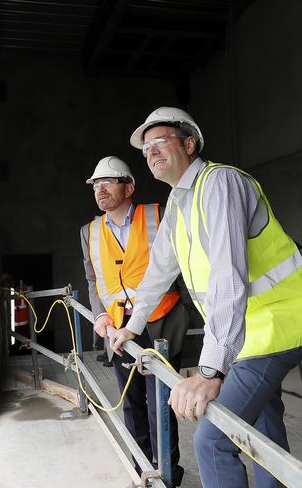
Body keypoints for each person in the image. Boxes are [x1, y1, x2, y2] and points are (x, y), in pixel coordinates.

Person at [111, 107, 302, 487]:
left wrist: (211, 370)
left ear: (189, 143)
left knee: (213, 440)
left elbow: (229, 280)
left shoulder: (220, 183)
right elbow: (157, 275)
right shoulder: (179, 205)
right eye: (145, 148)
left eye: (159, 142)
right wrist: (131, 327)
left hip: (274, 328)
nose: (150, 152)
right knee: (261, 429)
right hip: (251, 332)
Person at [80, 156, 187, 486]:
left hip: (162, 321)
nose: (101, 190)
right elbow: (92, 278)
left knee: (161, 403)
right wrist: (98, 314)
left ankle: (168, 474)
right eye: (96, 185)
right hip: (118, 327)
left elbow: (182, 265)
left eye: (108, 182)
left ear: (129, 187)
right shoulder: (89, 231)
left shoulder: (159, 214)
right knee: (131, 402)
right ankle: (141, 469)